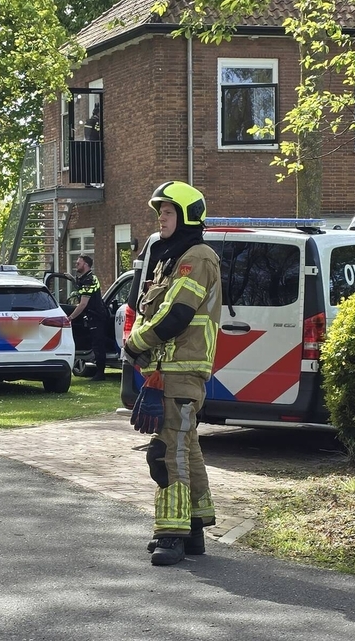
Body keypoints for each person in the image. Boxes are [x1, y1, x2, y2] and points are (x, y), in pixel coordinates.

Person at [122, 180, 221, 566]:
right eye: (160, 212)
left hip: (180, 373)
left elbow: (175, 314)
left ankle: (172, 534)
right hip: (169, 371)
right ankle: (194, 529)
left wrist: (134, 343)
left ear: (185, 216)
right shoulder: (173, 257)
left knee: (166, 454)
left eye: (167, 212)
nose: (160, 218)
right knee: (187, 450)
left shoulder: (196, 257)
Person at [66, 255, 109, 381]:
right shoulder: (87, 278)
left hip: (96, 316)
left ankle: (100, 373)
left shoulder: (89, 280)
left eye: (78, 263)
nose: (76, 265)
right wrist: (71, 279)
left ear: (85, 265)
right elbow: (81, 287)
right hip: (93, 316)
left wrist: (70, 317)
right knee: (97, 343)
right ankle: (99, 371)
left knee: (98, 344)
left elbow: (83, 303)